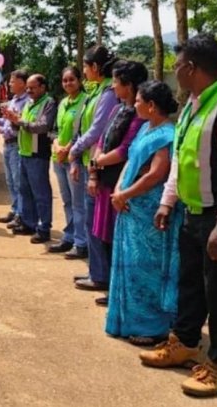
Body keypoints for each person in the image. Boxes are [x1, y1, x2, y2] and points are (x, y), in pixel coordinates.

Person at [139, 34, 217, 397]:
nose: (175, 73)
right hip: (193, 211)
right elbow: (182, 157)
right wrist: (168, 200)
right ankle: (186, 342)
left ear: (191, 67)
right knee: (189, 281)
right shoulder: (194, 105)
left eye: (177, 66)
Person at [105, 80, 182, 343]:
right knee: (130, 265)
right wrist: (118, 190)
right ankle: (129, 321)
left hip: (149, 212)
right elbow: (129, 162)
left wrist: (125, 194)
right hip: (129, 207)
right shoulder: (145, 129)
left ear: (151, 105)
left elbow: (156, 175)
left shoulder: (166, 134)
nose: (134, 103)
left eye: (138, 100)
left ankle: (152, 328)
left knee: (147, 268)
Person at [76, 61, 149, 302]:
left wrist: (96, 164)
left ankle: (117, 288)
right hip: (105, 180)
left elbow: (125, 150)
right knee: (103, 235)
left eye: (117, 82)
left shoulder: (140, 118)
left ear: (129, 86)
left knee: (119, 239)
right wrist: (95, 170)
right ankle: (108, 281)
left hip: (121, 185)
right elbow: (102, 139)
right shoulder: (117, 110)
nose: (114, 87)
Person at [66, 46, 119, 264]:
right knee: (91, 220)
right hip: (90, 162)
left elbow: (97, 130)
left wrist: (74, 149)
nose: (84, 72)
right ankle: (96, 271)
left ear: (95, 67)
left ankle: (99, 273)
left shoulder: (108, 94)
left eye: (85, 67)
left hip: (100, 166)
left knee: (97, 222)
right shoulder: (96, 91)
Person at [5, 74, 57, 243]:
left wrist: (20, 122)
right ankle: (29, 223)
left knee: (41, 194)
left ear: (43, 87)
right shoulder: (29, 103)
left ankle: (44, 228)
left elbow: (42, 126)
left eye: (33, 88)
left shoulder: (48, 103)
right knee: (24, 190)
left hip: (38, 154)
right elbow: (21, 126)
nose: (29, 91)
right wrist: (13, 120)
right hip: (24, 152)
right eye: (28, 87)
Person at [48, 67, 87, 253]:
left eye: (72, 79)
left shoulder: (85, 102)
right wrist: (57, 146)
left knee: (79, 202)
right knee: (67, 201)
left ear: (80, 81)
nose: (68, 83)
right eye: (65, 80)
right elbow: (54, 129)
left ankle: (81, 242)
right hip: (58, 158)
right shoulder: (62, 103)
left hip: (74, 159)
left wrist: (68, 148)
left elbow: (83, 132)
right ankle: (69, 237)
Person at [0, 70, 30, 227]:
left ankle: (21, 215)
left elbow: (18, 127)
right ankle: (15, 209)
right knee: (10, 181)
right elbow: (6, 122)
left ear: (22, 83)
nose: (9, 84)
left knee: (18, 182)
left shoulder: (27, 102)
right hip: (8, 145)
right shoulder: (14, 100)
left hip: (17, 144)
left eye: (12, 81)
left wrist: (1, 130)